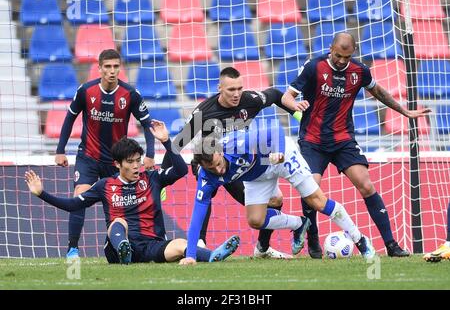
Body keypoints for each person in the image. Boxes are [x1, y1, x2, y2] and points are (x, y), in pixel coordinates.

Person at [281, 32, 432, 258]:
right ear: (331, 48)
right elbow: (286, 96)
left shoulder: (360, 71)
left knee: (367, 185)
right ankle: (313, 239)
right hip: (313, 140)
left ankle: (391, 245)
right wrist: (296, 103)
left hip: (343, 140)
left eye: (347, 56)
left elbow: (378, 91)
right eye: (339, 55)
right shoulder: (314, 67)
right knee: (311, 188)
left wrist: (403, 110)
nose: (342, 61)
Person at [25, 121, 240, 264]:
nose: (137, 166)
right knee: (119, 223)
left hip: (152, 245)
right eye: (131, 162)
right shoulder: (105, 185)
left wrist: (166, 141)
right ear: (117, 164)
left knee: (181, 244)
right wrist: (42, 193)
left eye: (138, 161)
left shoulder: (152, 178)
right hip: (117, 249)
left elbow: (181, 170)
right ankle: (123, 250)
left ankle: (213, 256)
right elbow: (74, 205)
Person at [178, 125, 376, 266]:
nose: (219, 171)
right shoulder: (206, 176)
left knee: (317, 201)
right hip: (257, 175)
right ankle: (299, 224)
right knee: (255, 220)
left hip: (279, 157)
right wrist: (192, 255)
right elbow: (198, 212)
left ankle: (361, 240)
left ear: (220, 151)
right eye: (212, 169)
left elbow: (274, 130)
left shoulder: (238, 143)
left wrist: (278, 152)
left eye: (218, 163)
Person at [162, 67, 303, 259]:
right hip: (209, 161)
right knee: (205, 191)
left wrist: (298, 114)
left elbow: (277, 95)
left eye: (239, 88)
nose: (236, 94)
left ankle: (263, 248)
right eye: (231, 90)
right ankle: (200, 244)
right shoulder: (203, 112)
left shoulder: (250, 100)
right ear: (220, 88)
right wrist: (163, 176)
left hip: (236, 165)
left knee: (273, 201)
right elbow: (177, 144)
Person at [54, 49, 156, 259]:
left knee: (118, 206)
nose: (111, 71)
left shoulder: (130, 95)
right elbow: (69, 119)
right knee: (79, 196)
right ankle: (72, 249)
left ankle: (117, 247)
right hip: (88, 157)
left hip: (116, 162)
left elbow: (147, 125)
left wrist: (151, 154)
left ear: (120, 68)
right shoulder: (86, 91)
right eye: (107, 67)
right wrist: (60, 150)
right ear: (99, 68)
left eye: (115, 66)